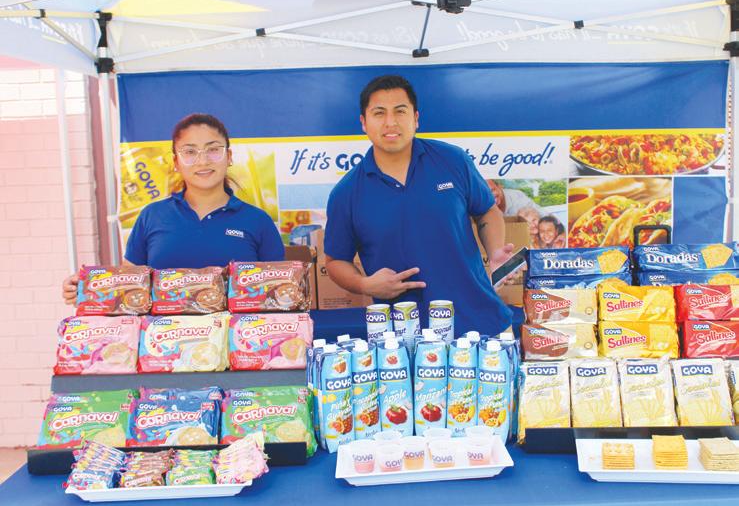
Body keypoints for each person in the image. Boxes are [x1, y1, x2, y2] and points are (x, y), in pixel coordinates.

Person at [324, 74, 513, 336]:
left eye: (400, 111)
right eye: (379, 113)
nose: (390, 122)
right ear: (363, 122)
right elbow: (335, 261)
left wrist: (495, 252)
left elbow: (487, 211)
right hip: (402, 339)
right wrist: (365, 285)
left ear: (415, 119)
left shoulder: (452, 160)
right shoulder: (346, 192)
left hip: (480, 323)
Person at [62, 113, 284, 304]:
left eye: (213, 150)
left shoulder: (258, 221)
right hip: (163, 338)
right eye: (190, 152)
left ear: (229, 157)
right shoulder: (153, 216)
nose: (203, 161)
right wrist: (85, 289)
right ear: (176, 162)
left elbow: (280, 291)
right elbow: (128, 286)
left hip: (237, 340)